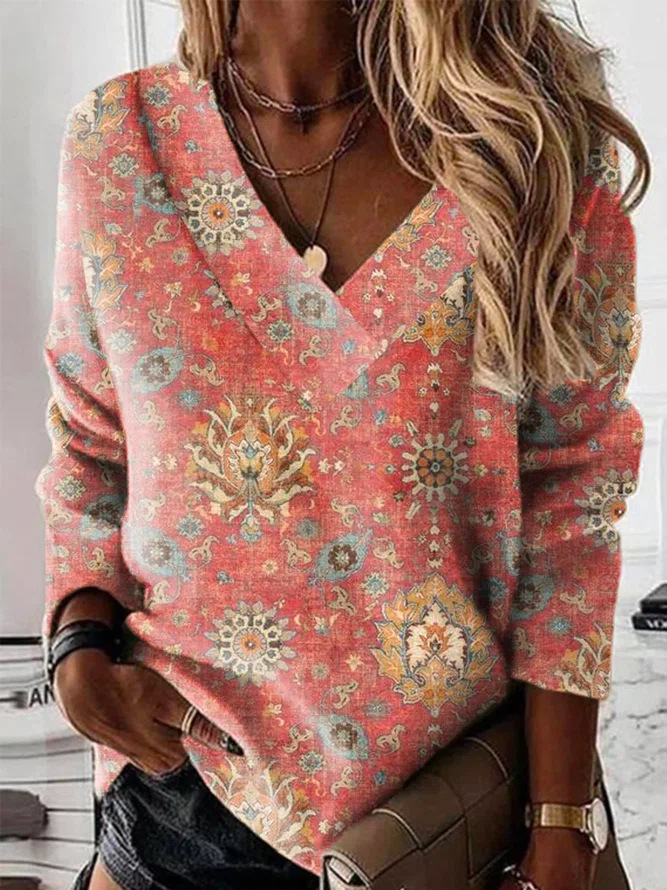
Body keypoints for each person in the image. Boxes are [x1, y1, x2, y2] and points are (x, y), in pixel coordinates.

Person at [35, 1, 650, 889]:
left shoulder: (530, 142)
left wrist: (561, 821)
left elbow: (572, 499)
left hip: (440, 818)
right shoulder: (119, 139)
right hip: (183, 792)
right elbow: (92, 442)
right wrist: (77, 647)